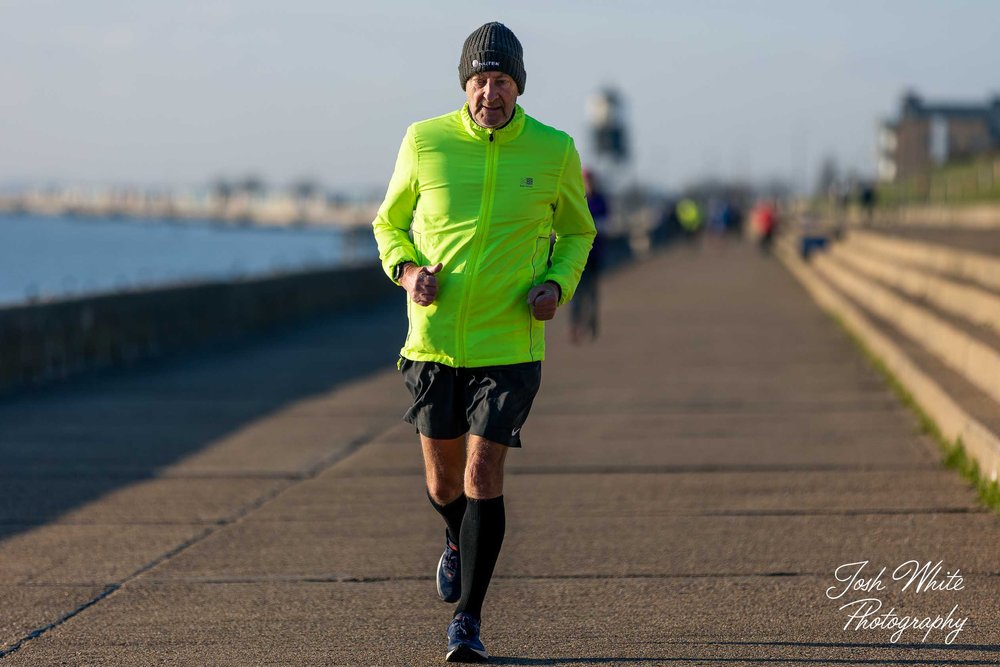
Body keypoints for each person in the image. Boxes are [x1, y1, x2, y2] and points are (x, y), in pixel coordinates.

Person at [371, 21, 595, 663]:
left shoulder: (553, 150)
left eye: (501, 81)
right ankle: (454, 539)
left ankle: (467, 621)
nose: (489, 93)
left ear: (518, 87)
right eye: (479, 80)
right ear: (464, 85)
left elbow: (579, 232)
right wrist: (409, 272)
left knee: (480, 471)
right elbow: (388, 223)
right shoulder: (425, 141)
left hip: (511, 343)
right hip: (434, 342)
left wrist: (556, 285)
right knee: (444, 484)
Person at [570, 168, 609, 344]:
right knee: (576, 294)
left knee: (592, 293)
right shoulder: (576, 197)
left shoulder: (601, 200)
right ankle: (575, 327)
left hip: (595, 255)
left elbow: (607, 223)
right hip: (577, 255)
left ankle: (592, 326)